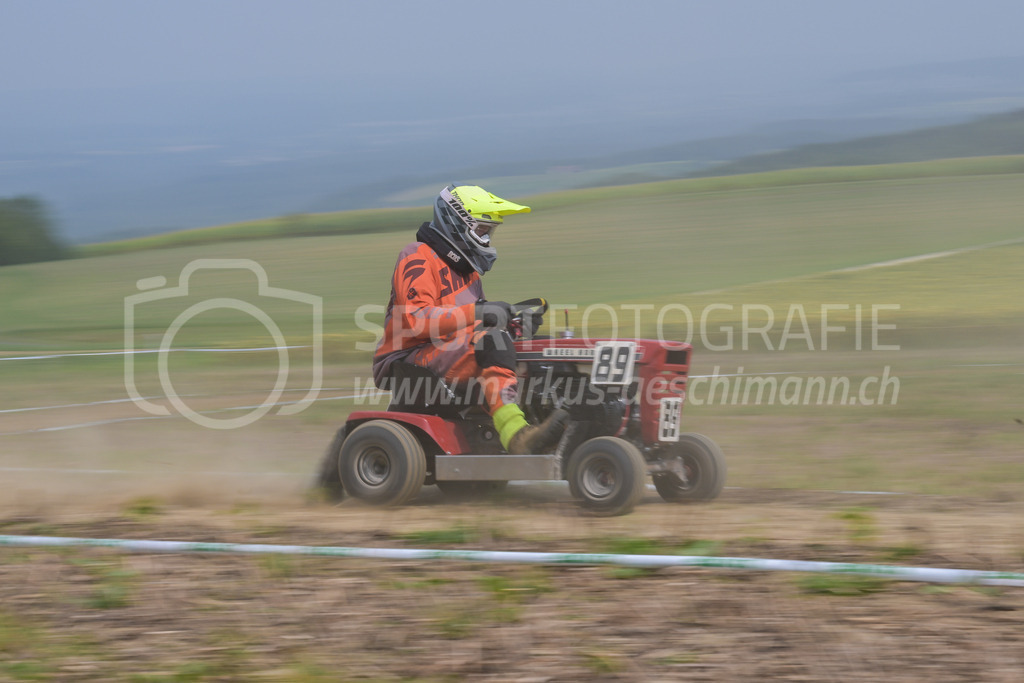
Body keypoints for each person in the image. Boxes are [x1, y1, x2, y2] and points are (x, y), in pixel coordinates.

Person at [372, 184, 567, 454]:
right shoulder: (417, 255)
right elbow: (417, 319)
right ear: (456, 223)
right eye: (482, 231)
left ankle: (558, 423)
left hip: (450, 352)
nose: (486, 239)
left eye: (489, 232)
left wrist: (516, 328)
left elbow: (471, 326)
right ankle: (516, 436)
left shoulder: (468, 273)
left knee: (540, 350)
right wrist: (480, 312)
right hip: (409, 357)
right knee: (494, 343)